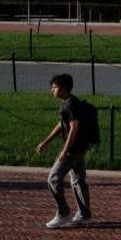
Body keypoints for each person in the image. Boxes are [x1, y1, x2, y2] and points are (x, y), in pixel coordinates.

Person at [35, 74, 93, 229]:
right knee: (78, 180)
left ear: (63, 88)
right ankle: (84, 214)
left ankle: (63, 213)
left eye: (54, 87)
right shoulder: (70, 103)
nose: (51, 90)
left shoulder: (69, 105)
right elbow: (62, 125)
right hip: (81, 147)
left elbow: (74, 128)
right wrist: (46, 142)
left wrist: (64, 151)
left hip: (73, 149)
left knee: (53, 179)